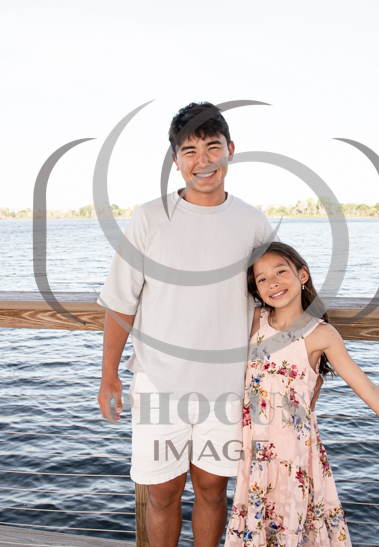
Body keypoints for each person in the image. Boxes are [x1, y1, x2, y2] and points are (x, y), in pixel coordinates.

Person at [96, 102, 276, 547]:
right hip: (159, 384)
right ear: (175, 160)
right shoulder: (149, 218)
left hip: (227, 386)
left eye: (213, 147)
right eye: (190, 151)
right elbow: (121, 303)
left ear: (230, 150)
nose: (203, 161)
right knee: (162, 493)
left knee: (212, 491)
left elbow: (274, 301)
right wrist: (108, 375)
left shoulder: (253, 223)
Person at [226, 242, 379, 546]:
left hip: (293, 451)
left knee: (291, 523)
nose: (273, 283)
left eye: (280, 272)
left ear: (302, 275)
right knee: (257, 525)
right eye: (262, 278)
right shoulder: (255, 320)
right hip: (254, 448)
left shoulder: (320, 334)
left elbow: (366, 388)